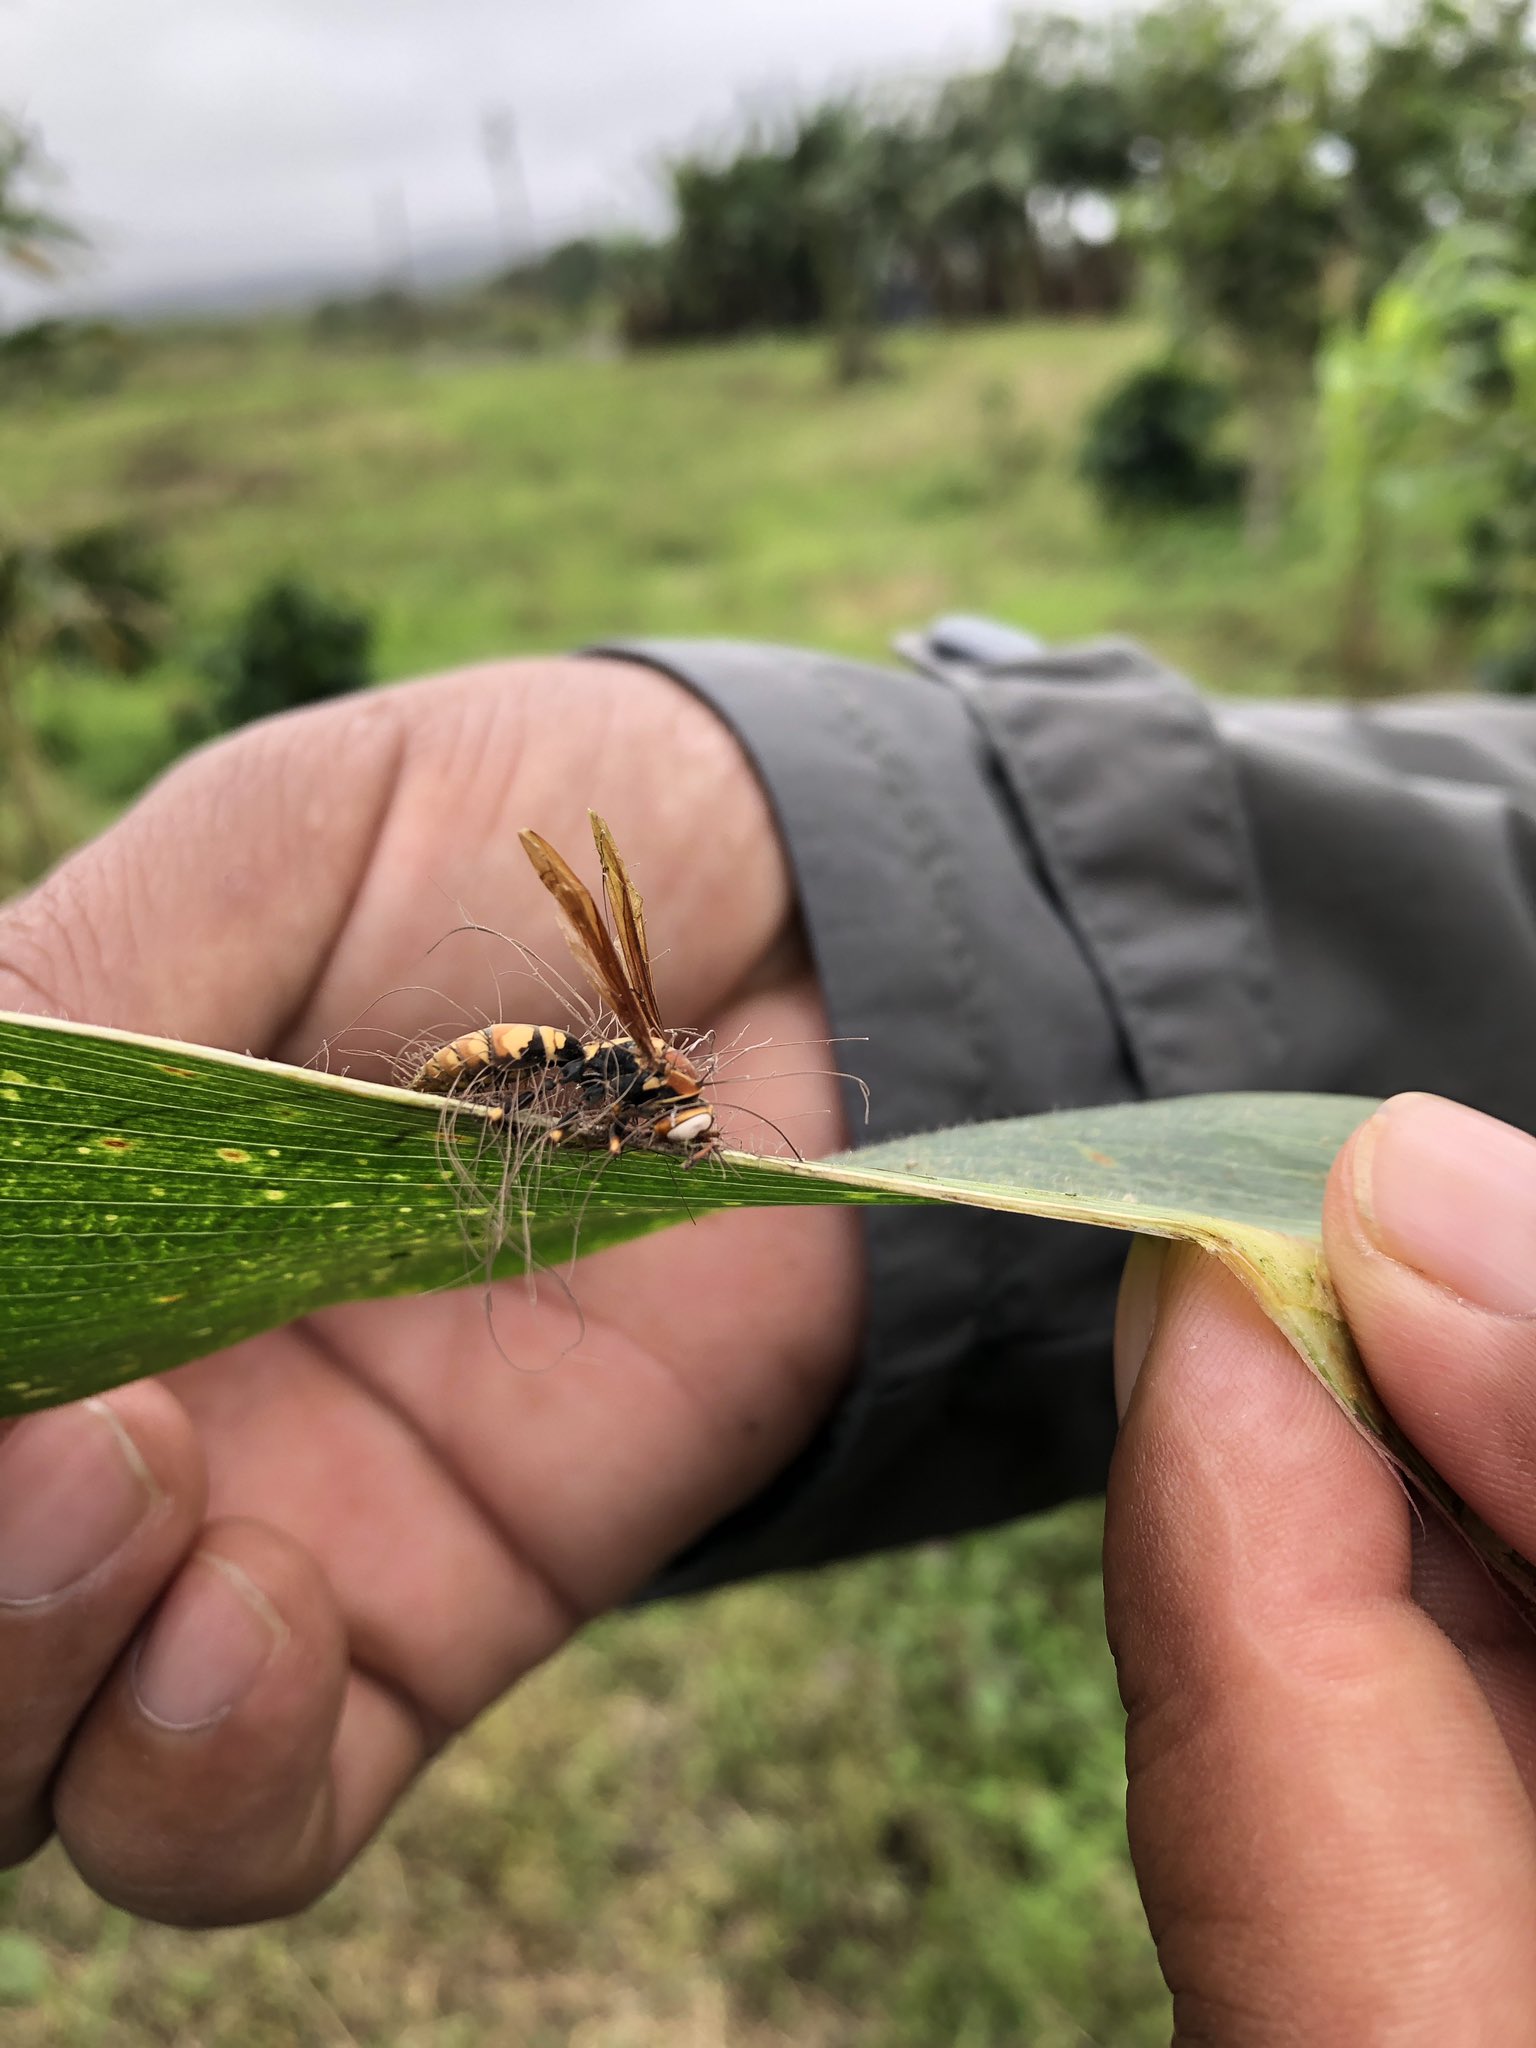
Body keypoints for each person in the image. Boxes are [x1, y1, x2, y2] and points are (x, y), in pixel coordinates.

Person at [1, 635, 1534, 2037]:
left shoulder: (649, 1103)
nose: (682, 1143)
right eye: (671, 1131)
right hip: (526, 1066)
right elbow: (581, 1092)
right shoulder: (605, 1081)